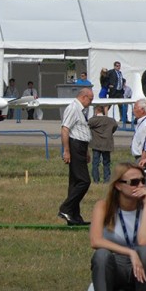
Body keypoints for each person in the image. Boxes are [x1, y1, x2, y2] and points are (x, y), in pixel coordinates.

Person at [90, 162, 146, 291]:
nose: (141, 186)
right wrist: (130, 252)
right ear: (118, 185)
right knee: (101, 255)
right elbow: (95, 241)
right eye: (134, 182)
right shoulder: (103, 206)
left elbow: (144, 241)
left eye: (143, 180)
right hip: (117, 266)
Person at [58, 87, 94, 226]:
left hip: (81, 146)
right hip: (75, 146)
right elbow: (65, 129)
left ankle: (74, 216)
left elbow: (81, 130)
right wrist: (66, 151)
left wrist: (86, 151)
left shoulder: (81, 110)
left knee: (74, 182)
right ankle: (65, 208)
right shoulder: (73, 108)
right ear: (83, 97)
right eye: (90, 99)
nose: (91, 102)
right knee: (84, 181)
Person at [88, 105, 118, 184]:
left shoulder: (93, 120)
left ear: (96, 110)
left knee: (95, 163)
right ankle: (106, 179)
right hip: (107, 144)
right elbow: (115, 127)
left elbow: (87, 125)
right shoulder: (111, 120)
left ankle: (96, 180)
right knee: (106, 163)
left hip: (96, 144)